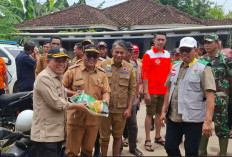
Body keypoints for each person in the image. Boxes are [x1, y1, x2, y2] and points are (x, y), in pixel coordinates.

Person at [161, 36, 216, 156]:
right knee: (169, 147)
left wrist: (208, 121)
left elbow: (210, 95)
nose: (184, 53)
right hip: (173, 117)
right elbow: (169, 89)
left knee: (191, 151)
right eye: (182, 50)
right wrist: (163, 111)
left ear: (196, 50)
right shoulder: (175, 67)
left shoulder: (203, 68)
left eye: (188, 50)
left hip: (193, 118)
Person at [31, 46, 87, 157]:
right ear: (47, 61)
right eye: (57, 60)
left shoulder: (57, 76)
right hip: (46, 136)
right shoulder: (44, 78)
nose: (61, 63)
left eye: (64, 61)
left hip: (55, 133)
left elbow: (61, 91)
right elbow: (56, 103)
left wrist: (72, 94)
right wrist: (77, 106)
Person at [63, 45, 110, 157]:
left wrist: (106, 100)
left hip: (93, 119)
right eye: (89, 55)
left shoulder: (102, 73)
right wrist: (73, 93)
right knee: (72, 152)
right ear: (83, 55)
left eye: (95, 55)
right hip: (75, 118)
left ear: (98, 57)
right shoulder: (72, 71)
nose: (92, 58)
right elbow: (61, 88)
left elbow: (105, 91)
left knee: (88, 152)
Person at [100, 40, 136, 156]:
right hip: (105, 109)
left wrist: (129, 108)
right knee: (104, 138)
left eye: (122, 53)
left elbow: (132, 90)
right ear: (112, 52)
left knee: (117, 137)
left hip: (121, 110)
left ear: (125, 53)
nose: (119, 55)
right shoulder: (103, 66)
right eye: (117, 52)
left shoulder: (130, 68)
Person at [198, 34, 232, 156]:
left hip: (221, 101)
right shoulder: (201, 60)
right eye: (205, 42)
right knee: (203, 126)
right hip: (204, 101)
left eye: (209, 42)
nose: (206, 45)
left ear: (217, 43)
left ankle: (223, 153)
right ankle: (201, 152)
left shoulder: (226, 59)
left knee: (223, 129)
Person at [142, 32, 171, 151]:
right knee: (150, 114)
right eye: (158, 39)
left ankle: (158, 136)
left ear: (165, 41)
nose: (160, 42)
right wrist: (146, 92)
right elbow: (145, 74)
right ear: (154, 40)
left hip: (164, 91)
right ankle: (147, 139)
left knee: (160, 115)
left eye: (163, 40)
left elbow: (169, 74)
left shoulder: (168, 54)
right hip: (152, 91)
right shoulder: (148, 54)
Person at [121, 42, 143, 156]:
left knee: (133, 125)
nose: (131, 54)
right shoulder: (112, 64)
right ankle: (118, 147)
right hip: (118, 101)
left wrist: (138, 97)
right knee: (117, 126)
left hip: (132, 100)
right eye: (128, 51)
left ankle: (133, 147)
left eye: (132, 51)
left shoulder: (134, 64)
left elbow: (136, 83)